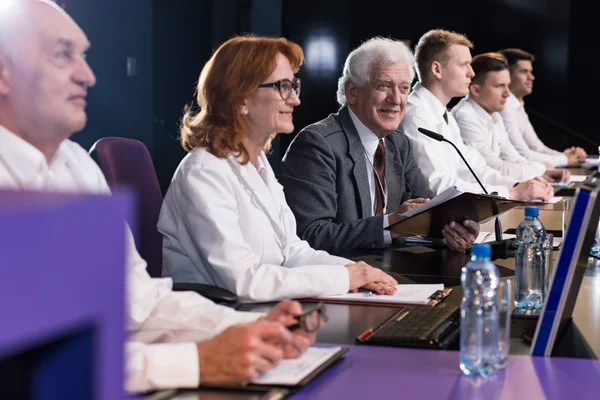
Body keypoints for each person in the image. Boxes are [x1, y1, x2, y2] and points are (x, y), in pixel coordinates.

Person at [0, 0, 320, 394]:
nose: (87, 75)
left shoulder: (75, 166)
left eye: (83, 56)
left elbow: (138, 302)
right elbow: (27, 361)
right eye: (63, 54)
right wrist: (197, 361)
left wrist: (248, 327)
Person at [157, 36, 398, 302]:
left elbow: (293, 252)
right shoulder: (203, 172)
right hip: (217, 324)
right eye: (283, 87)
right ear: (241, 98)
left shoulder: (257, 165)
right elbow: (243, 282)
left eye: (294, 86)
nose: (295, 100)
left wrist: (357, 271)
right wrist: (344, 278)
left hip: (263, 313)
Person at [279, 37, 479, 255]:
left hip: (387, 272)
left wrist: (453, 230)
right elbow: (310, 235)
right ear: (353, 92)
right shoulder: (318, 143)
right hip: (338, 276)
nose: (396, 99)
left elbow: (427, 209)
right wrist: (391, 224)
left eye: (404, 88)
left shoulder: (398, 143)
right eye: (384, 85)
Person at [399, 29, 553, 202]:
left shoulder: (444, 114)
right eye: (464, 64)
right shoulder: (416, 114)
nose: (471, 73)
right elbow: (437, 186)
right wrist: (512, 193)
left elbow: (475, 170)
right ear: (437, 69)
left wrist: (518, 185)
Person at [452, 52, 570, 183]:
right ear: (476, 90)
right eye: (499, 86)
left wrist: (541, 173)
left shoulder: (495, 114)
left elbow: (514, 157)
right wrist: (540, 168)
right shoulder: (465, 117)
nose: (507, 94)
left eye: (507, 85)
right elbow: (497, 168)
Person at [498, 48, 586, 166]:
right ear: (506, 75)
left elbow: (537, 148)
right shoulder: (505, 105)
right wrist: (566, 160)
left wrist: (567, 156)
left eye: (531, 71)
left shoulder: (517, 105)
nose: (531, 77)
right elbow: (523, 154)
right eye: (524, 71)